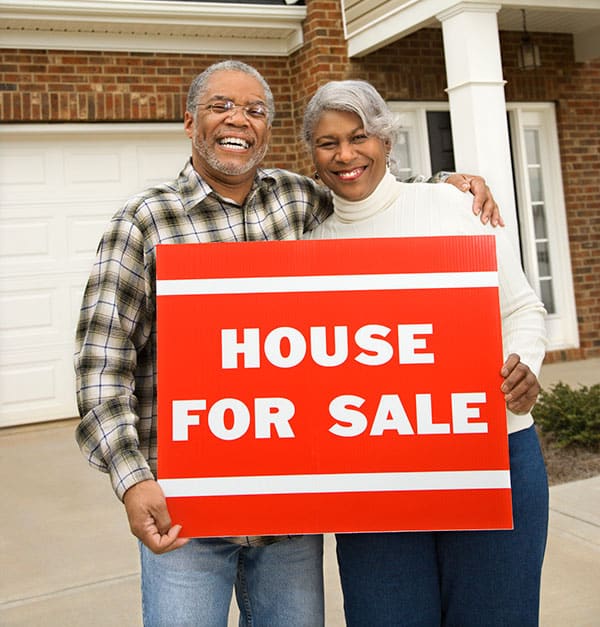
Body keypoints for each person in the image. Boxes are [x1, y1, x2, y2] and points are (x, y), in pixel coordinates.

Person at [74, 60, 502, 627]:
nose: (239, 120)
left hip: (289, 515)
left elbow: (370, 193)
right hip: (187, 510)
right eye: (222, 106)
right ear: (189, 122)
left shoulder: (298, 201)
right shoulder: (144, 221)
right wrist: (132, 480)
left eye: (255, 110)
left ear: (268, 130)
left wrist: (448, 185)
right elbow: (102, 366)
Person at [302, 79, 549, 626]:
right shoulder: (309, 245)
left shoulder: (454, 206)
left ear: (387, 141)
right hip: (371, 479)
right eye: (328, 142)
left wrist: (525, 362)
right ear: (312, 154)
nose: (345, 154)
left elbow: (523, 310)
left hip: (489, 455)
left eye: (360, 136)